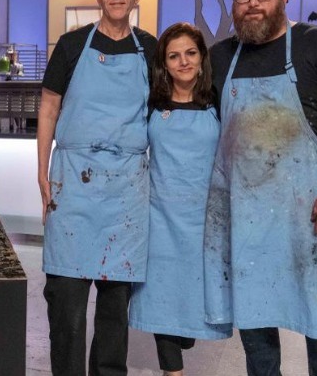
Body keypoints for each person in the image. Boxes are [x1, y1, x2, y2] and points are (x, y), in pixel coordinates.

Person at [204, 0, 317, 376]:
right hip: (244, 218)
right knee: (255, 325)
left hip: (307, 214)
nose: (253, 4)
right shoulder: (221, 57)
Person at [38, 0, 157, 376]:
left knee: (113, 313)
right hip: (73, 183)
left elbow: (163, 117)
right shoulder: (72, 46)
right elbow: (49, 108)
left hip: (126, 191)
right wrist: (42, 173)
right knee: (66, 307)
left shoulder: (152, 50)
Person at [128, 23, 232, 376]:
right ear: (164, 64)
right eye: (174, 56)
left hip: (205, 218)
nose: (183, 61)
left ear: (202, 59)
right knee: (163, 298)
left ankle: (186, 337)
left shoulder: (218, 101)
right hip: (160, 216)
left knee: (192, 304)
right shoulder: (151, 103)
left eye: (190, 53)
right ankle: (173, 372)